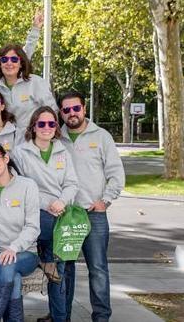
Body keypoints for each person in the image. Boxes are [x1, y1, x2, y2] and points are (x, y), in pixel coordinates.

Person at [52, 91, 125, 322]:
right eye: (66, 110)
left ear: (84, 108)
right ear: (61, 113)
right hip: (65, 216)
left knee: (98, 270)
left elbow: (116, 174)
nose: (71, 113)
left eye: (76, 108)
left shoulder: (101, 136)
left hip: (93, 214)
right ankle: (63, 316)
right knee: (65, 271)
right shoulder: (55, 138)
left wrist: (106, 200)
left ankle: (101, 317)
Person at [12, 107, 79, 322]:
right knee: (57, 267)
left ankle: (60, 317)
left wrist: (61, 201)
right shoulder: (20, 153)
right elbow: (19, 187)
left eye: (51, 124)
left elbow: (71, 183)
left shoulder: (62, 151)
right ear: (33, 127)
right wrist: (47, 203)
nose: (47, 128)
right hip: (35, 215)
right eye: (42, 124)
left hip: (60, 214)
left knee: (58, 271)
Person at [0, 143, 40, 321]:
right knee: (13, 278)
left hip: (25, 253)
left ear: (5, 158)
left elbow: (33, 226)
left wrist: (14, 248)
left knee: (8, 264)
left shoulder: (28, 186)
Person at [0, 44, 57, 128]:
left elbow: (52, 111)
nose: (9, 63)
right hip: (7, 138)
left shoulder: (35, 82)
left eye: (14, 59)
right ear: (0, 64)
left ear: (21, 64)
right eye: (4, 59)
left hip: (33, 138)